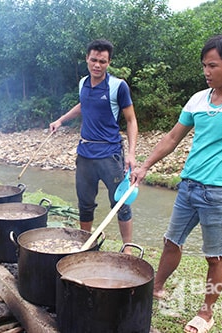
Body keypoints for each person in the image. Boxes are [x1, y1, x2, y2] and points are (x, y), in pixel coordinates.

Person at [130, 35, 222, 333]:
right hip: (188, 187)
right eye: (204, 65)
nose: (206, 71)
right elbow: (171, 137)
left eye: (212, 65)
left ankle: (207, 313)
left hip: (218, 193)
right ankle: (155, 287)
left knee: (215, 254)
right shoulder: (197, 99)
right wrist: (144, 166)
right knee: (171, 241)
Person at [50, 39, 138, 253]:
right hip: (85, 153)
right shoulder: (83, 83)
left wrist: (132, 153)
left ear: (108, 62)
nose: (97, 65)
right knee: (85, 202)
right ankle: (86, 243)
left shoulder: (118, 86)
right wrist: (61, 120)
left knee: (120, 202)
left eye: (102, 61)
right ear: (87, 59)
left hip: (110, 154)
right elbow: (83, 105)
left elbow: (131, 120)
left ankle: (127, 247)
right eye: (94, 60)